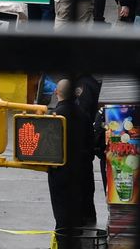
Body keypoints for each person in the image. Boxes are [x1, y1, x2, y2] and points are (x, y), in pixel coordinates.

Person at [46, 79, 98, 233]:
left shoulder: (54, 115)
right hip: (82, 167)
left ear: (57, 93)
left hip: (60, 168)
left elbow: (47, 145)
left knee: (62, 209)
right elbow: (91, 142)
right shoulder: (83, 114)